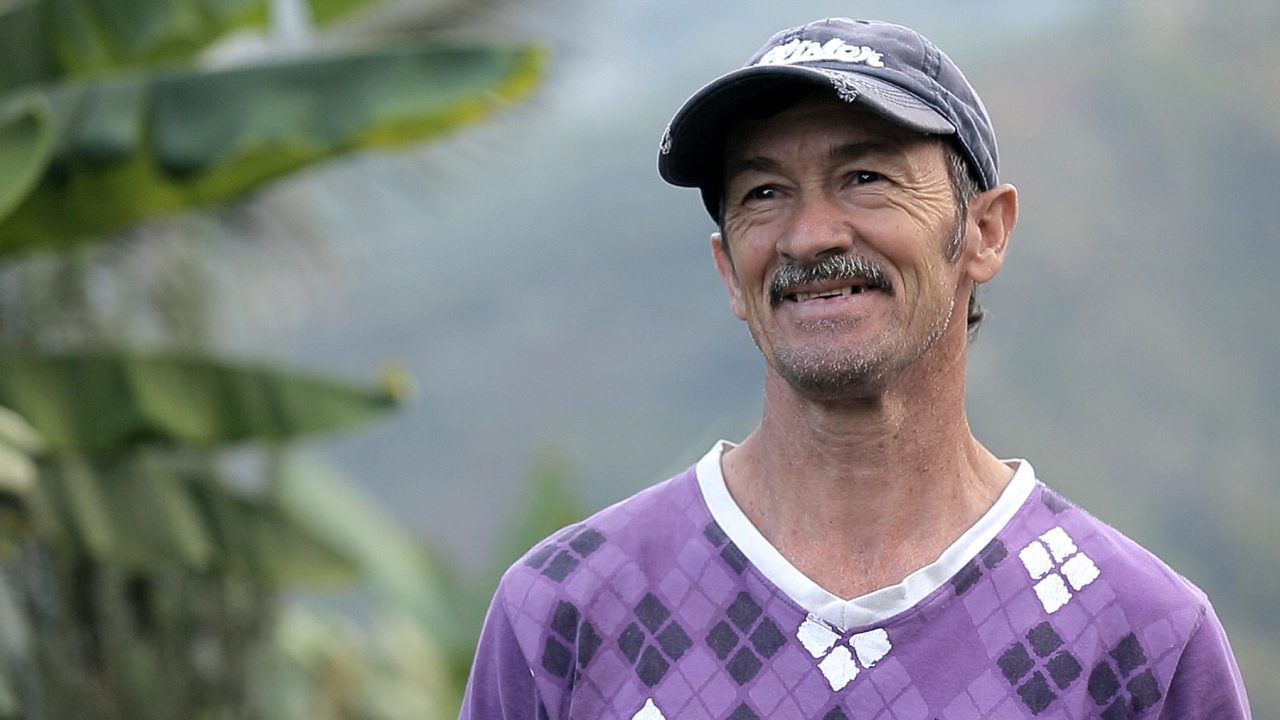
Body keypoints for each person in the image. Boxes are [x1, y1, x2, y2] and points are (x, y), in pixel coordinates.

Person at [459, 18, 1251, 719]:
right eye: (764, 192)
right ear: (729, 270)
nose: (809, 236)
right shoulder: (568, 610)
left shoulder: (1140, 638)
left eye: (865, 178)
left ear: (985, 231)